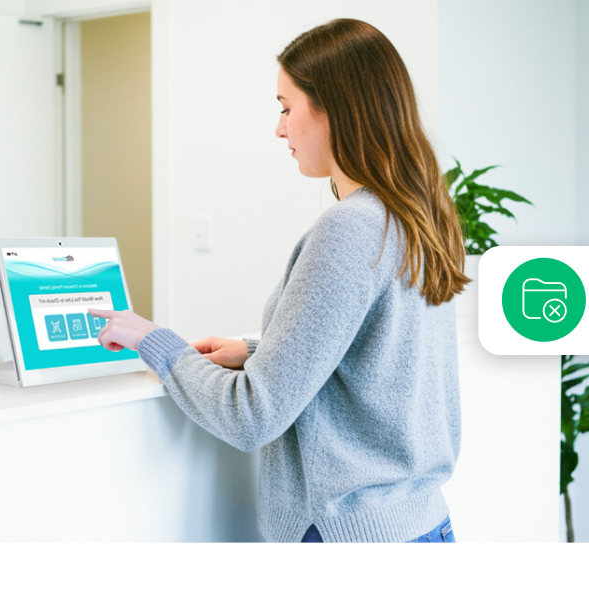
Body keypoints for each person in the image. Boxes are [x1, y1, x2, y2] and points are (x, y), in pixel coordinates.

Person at [89, 19, 468, 543]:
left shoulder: (352, 226)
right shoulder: (417, 215)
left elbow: (251, 414)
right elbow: (381, 356)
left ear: (337, 108)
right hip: (422, 523)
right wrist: (257, 350)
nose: (280, 128)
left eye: (286, 107)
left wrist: (153, 341)